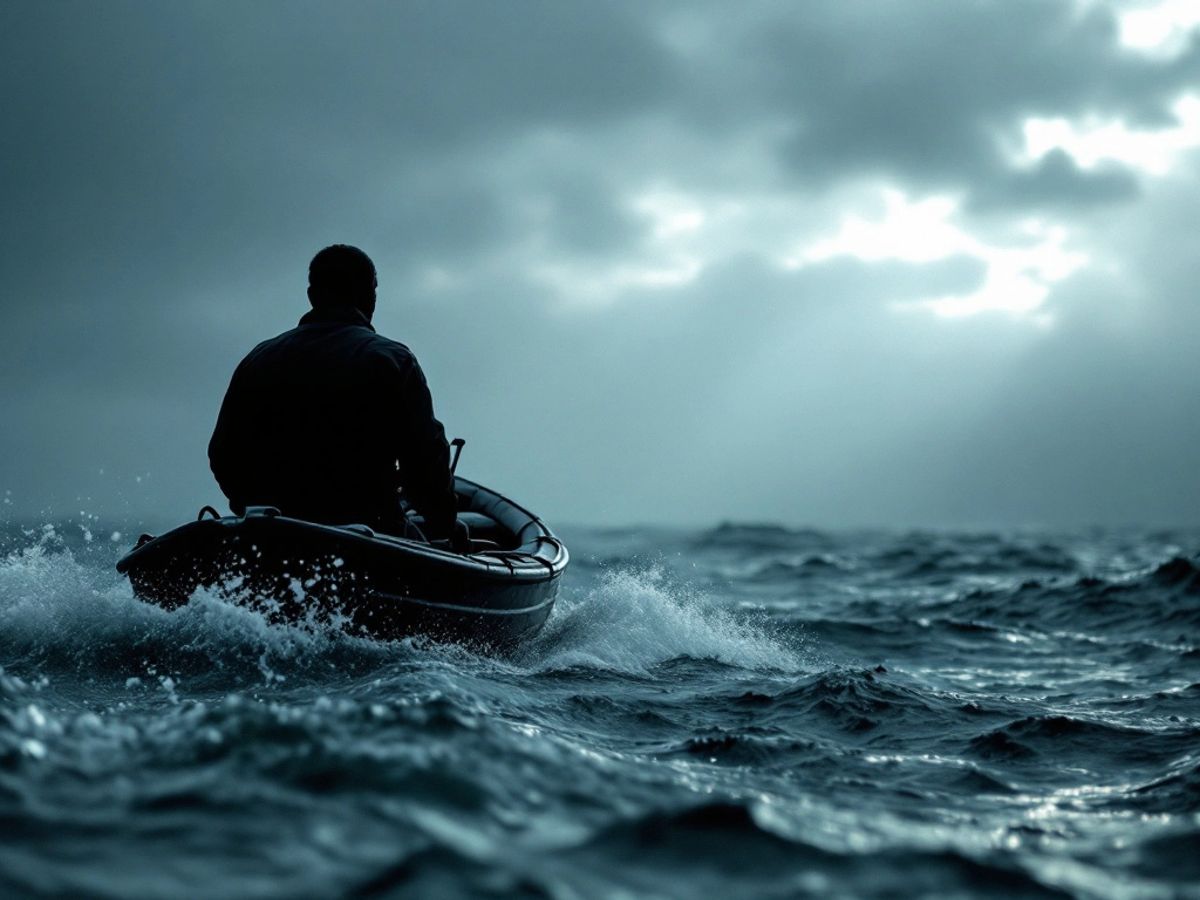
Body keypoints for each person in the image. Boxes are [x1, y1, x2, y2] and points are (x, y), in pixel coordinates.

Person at [208, 244, 465, 548]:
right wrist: (446, 525)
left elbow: (223, 455)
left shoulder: (258, 359)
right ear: (370, 295)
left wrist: (254, 509)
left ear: (311, 295)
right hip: (371, 534)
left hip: (268, 535)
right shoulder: (392, 360)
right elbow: (424, 463)